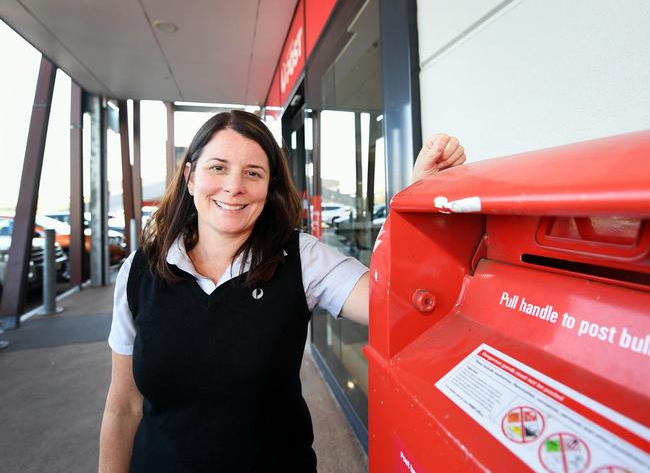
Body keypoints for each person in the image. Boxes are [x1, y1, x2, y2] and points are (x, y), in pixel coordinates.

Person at [99, 110, 465, 472]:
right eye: (218, 167)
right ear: (191, 177)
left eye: (252, 173)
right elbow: (123, 406)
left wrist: (422, 199)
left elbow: (393, 304)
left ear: (269, 186)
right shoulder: (140, 270)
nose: (234, 186)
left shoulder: (301, 258)